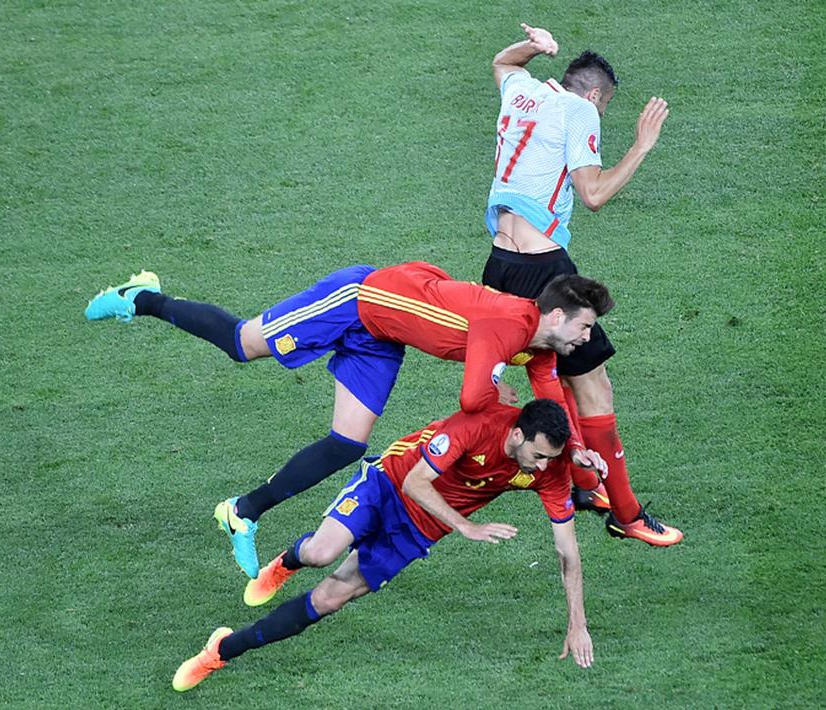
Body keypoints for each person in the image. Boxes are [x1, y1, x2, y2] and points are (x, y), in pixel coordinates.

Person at [84, 262, 610, 577]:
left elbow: (549, 403)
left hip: (385, 335)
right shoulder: (506, 325)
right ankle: (143, 298)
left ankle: (242, 512)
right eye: (585, 327)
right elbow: (474, 399)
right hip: (360, 301)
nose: (588, 340)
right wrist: (498, 386)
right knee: (242, 345)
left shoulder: (540, 347)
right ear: (557, 316)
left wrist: (578, 446)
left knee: (347, 443)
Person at [171, 398, 596, 692]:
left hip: (418, 531)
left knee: (328, 600)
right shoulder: (476, 427)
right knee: (320, 553)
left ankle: (222, 649)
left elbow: (567, 551)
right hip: (390, 483)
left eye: (550, 459)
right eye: (539, 455)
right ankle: (287, 561)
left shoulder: (549, 471)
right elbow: (415, 482)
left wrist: (577, 623)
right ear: (518, 434)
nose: (543, 467)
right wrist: (466, 526)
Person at [484, 23, 682, 546]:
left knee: (549, 373)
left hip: (498, 266)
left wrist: (535, 47)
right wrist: (641, 146)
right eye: (605, 106)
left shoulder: (523, 89)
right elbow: (592, 193)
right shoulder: (579, 111)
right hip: (545, 268)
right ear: (594, 94)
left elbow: (504, 63)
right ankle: (628, 514)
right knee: (594, 388)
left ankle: (581, 482)